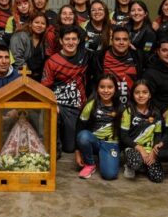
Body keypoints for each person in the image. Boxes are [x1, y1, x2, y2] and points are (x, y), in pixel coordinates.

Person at [42, 26, 92, 154]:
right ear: (61, 41)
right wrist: (53, 104)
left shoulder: (86, 56)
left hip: (77, 107)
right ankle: (53, 152)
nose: (70, 42)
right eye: (67, 39)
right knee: (52, 114)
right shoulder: (52, 61)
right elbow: (44, 88)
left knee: (70, 148)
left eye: (74, 39)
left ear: (79, 41)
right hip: (59, 106)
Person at [75, 74, 123, 180]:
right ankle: (90, 164)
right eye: (102, 87)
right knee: (83, 136)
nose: (106, 90)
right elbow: (79, 127)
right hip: (94, 141)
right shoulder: (91, 105)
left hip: (111, 144)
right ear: (97, 88)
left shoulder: (121, 107)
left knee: (109, 175)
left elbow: (125, 132)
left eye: (110, 87)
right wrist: (77, 152)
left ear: (115, 89)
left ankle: (105, 157)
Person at [120, 80, 164, 183]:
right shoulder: (128, 111)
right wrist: (140, 148)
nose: (141, 95)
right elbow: (124, 137)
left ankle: (143, 166)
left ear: (150, 95)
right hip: (133, 147)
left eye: (145, 92)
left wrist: (153, 152)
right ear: (133, 95)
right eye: (137, 92)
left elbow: (158, 135)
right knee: (135, 162)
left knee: (158, 178)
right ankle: (129, 165)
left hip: (149, 148)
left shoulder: (156, 113)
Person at [93, 26, 145, 105]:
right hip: (107, 105)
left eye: (125, 39)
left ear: (129, 41)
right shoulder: (100, 57)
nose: (121, 42)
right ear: (112, 41)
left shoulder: (138, 56)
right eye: (117, 39)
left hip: (131, 106)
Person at [10, 11, 48, 81]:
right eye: (36, 22)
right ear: (30, 24)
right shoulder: (20, 36)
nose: (39, 25)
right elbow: (17, 59)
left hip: (39, 78)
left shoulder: (45, 40)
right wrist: (29, 75)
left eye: (43, 23)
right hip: (21, 76)